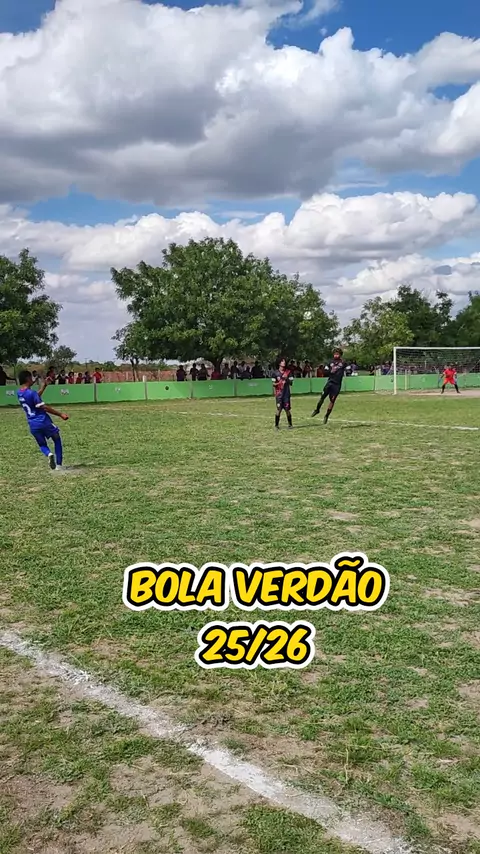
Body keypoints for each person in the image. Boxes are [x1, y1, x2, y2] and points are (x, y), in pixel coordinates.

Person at [17, 370, 69, 471]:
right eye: (31, 377)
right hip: (43, 421)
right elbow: (44, 407)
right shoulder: (31, 393)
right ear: (28, 378)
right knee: (56, 438)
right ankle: (59, 465)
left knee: (42, 444)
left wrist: (44, 386)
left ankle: (48, 454)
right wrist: (60, 414)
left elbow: (34, 398)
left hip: (32, 424)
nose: (33, 379)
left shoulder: (19, 393)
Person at [312, 348, 347, 424]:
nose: (336, 355)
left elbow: (347, 368)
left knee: (332, 400)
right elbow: (324, 372)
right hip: (330, 382)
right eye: (335, 354)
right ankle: (317, 410)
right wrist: (330, 371)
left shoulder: (343, 363)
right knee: (322, 397)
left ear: (340, 355)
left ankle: (326, 416)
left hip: (337, 385)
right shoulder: (330, 362)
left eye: (337, 354)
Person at [273, 358, 293, 430]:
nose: (284, 363)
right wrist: (279, 383)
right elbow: (273, 384)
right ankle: (276, 425)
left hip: (286, 394)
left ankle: (290, 424)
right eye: (282, 361)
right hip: (279, 395)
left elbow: (291, 383)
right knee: (279, 410)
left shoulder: (288, 372)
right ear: (279, 363)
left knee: (287, 410)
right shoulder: (275, 373)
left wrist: (286, 379)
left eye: (284, 361)